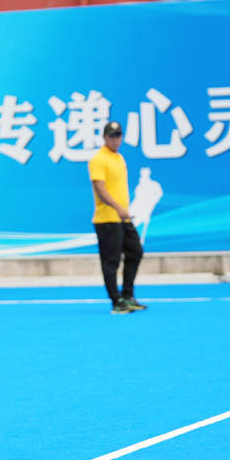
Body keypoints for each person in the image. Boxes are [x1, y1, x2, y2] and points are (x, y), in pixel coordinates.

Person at [88, 121, 146, 315]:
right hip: (107, 219)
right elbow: (99, 187)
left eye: (118, 135)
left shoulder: (119, 157)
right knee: (111, 261)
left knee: (135, 252)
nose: (116, 139)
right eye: (112, 136)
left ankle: (128, 295)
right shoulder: (98, 159)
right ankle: (116, 300)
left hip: (122, 218)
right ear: (104, 137)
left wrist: (123, 210)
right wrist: (118, 207)